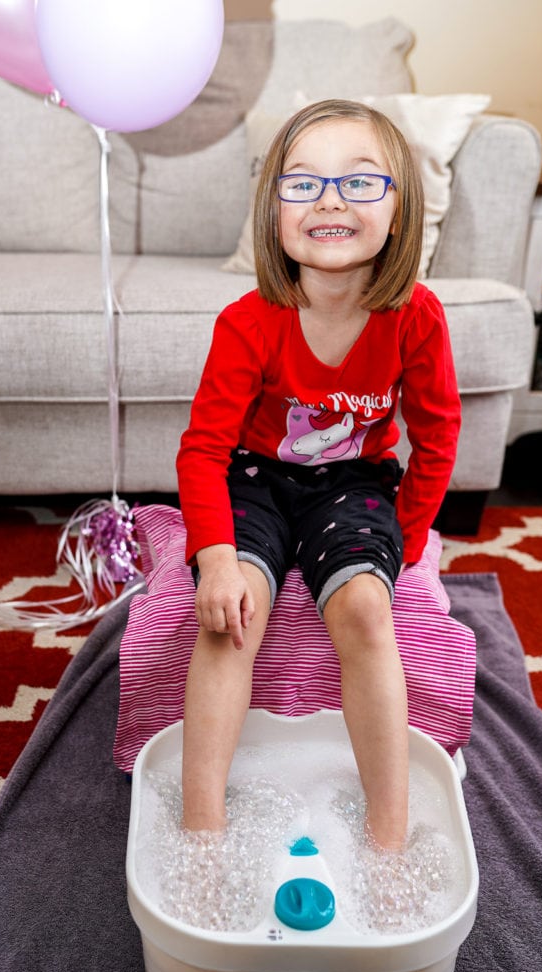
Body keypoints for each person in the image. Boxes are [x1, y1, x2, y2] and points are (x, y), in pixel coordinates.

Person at [176, 99, 461, 853]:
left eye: (359, 183)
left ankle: (388, 829)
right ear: (273, 212)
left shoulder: (416, 316)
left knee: (367, 612)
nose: (329, 199)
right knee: (229, 619)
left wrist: (401, 540)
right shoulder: (246, 321)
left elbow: (436, 435)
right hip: (252, 477)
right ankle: (201, 825)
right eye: (302, 184)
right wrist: (213, 561)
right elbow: (201, 451)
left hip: (354, 483)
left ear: (399, 212)